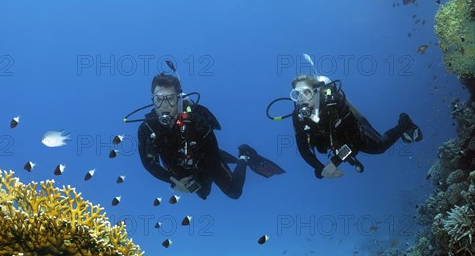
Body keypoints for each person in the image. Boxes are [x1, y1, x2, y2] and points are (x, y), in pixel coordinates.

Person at [137, 73, 284, 199]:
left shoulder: (197, 121)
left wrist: (198, 178)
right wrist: (173, 181)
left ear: (179, 99)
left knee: (234, 193)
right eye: (158, 99)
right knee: (202, 192)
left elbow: (212, 155)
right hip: (178, 168)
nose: (164, 105)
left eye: (170, 98)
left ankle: (244, 156)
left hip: (207, 158)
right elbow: (148, 163)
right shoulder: (146, 129)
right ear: (152, 100)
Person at [290, 74, 423, 179]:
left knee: (379, 147)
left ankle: (405, 122)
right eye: (297, 94)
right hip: (335, 142)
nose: (301, 99)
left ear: (317, 91)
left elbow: (354, 143)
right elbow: (303, 149)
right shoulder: (298, 116)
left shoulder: (335, 104)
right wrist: (320, 168)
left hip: (355, 132)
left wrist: (334, 163)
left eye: (306, 92)